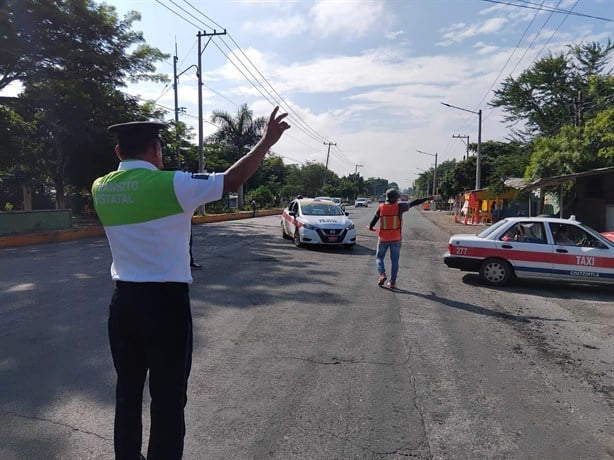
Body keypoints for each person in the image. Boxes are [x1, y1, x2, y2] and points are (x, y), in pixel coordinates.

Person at [92, 107, 289, 460]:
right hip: (166, 305)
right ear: (156, 151)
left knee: (128, 392)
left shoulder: (100, 187)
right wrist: (266, 141)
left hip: (122, 305)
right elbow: (230, 180)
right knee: (168, 398)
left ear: (119, 153)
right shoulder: (174, 184)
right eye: (161, 150)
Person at [368, 189, 433, 289]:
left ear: (387, 197)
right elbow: (414, 202)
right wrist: (427, 198)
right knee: (395, 261)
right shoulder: (400, 207)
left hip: (383, 239)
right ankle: (392, 282)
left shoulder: (381, 207)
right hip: (396, 238)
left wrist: (371, 227)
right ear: (397, 198)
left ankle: (382, 275)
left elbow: (374, 219)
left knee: (379, 258)